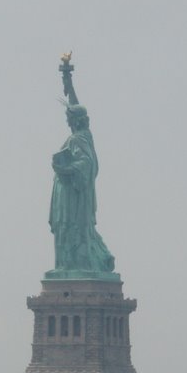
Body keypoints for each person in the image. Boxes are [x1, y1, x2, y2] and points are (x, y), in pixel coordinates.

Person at [49, 104, 115, 272]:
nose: (68, 123)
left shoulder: (78, 139)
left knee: (69, 225)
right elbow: (75, 103)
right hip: (67, 190)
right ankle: (66, 264)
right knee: (65, 225)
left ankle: (69, 265)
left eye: (69, 120)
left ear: (75, 122)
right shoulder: (85, 136)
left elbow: (86, 162)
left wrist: (66, 169)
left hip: (72, 192)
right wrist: (68, 83)